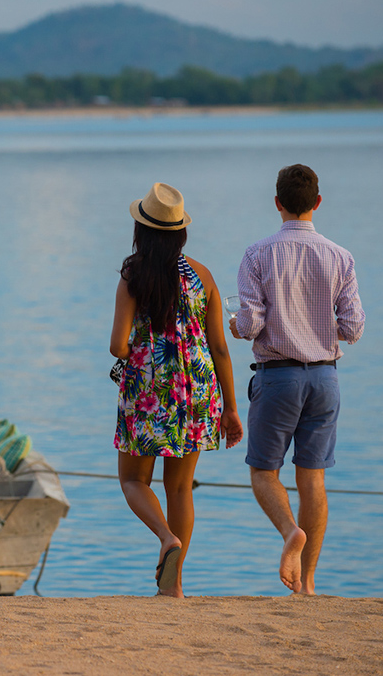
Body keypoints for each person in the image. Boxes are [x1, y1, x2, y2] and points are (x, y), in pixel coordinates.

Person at [230, 164, 364, 595]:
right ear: (317, 203)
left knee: (264, 472)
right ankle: (307, 583)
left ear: (277, 203)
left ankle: (290, 531)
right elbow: (354, 327)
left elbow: (250, 324)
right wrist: (321, 322)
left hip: (278, 377)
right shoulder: (340, 256)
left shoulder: (257, 254)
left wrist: (235, 324)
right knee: (314, 480)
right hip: (326, 378)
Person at [111, 182, 244, 598]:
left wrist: (139, 342)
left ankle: (166, 538)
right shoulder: (202, 276)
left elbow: (117, 345)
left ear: (142, 230)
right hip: (198, 390)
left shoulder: (134, 274)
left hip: (150, 388)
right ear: (180, 232)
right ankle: (176, 586)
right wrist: (232, 409)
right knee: (181, 488)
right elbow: (219, 346)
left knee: (133, 480)